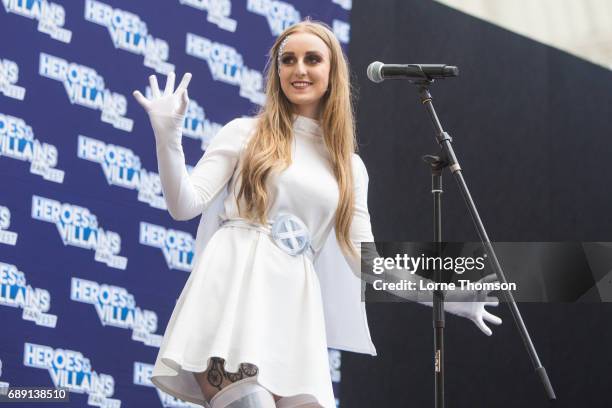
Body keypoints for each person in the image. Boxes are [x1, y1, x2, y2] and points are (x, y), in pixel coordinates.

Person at [132, 20, 501, 408]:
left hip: (293, 311)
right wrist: (167, 137)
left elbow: (370, 265)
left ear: (332, 72)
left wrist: (451, 298)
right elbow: (183, 204)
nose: (299, 69)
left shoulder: (348, 166)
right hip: (233, 296)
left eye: (312, 59)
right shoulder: (245, 132)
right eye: (287, 60)